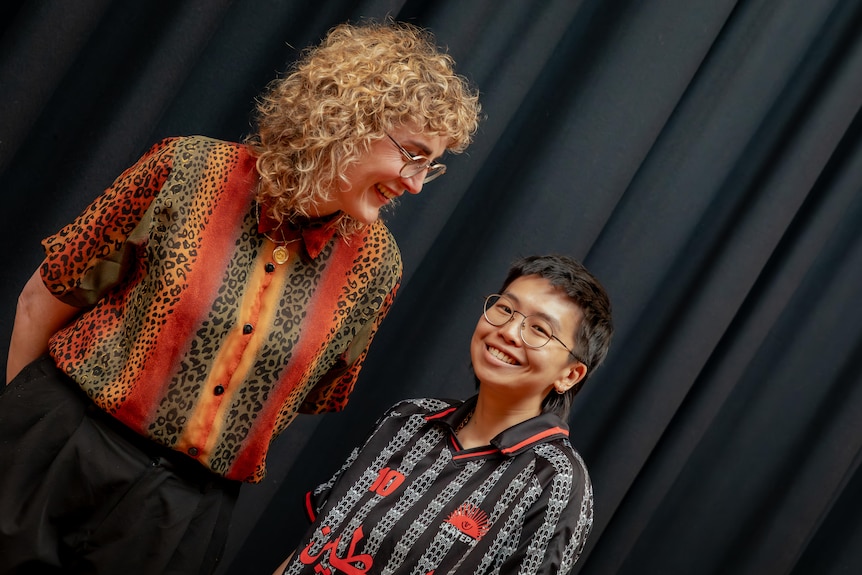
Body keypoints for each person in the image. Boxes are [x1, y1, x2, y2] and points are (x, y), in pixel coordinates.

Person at [0, 20, 480, 575]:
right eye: (412, 155)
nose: (417, 183)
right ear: (349, 120)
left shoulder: (376, 266)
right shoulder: (186, 168)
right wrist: (21, 441)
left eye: (431, 166)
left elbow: (307, 394)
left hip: (181, 513)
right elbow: (47, 294)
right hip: (64, 441)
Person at [272, 254, 613, 575]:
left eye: (539, 329)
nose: (508, 332)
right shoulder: (409, 418)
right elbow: (314, 543)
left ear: (569, 375)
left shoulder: (555, 480)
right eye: (506, 309)